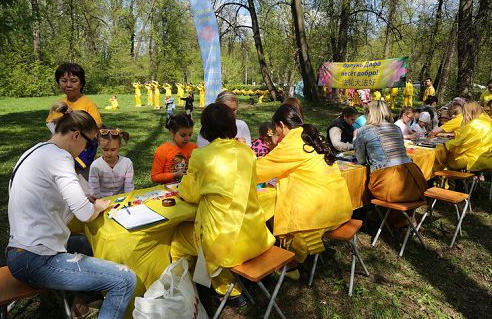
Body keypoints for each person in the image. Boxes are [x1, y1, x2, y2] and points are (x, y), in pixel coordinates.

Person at [7, 101, 137, 319]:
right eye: (88, 145)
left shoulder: (35, 151)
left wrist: (84, 200)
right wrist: (97, 205)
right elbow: (85, 213)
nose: (86, 151)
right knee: (125, 280)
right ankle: (97, 296)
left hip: (21, 249)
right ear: (76, 135)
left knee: (91, 242)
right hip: (37, 259)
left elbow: (46, 198)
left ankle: (82, 300)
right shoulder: (60, 157)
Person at [170, 103, 275, 303]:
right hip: (257, 235)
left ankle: (225, 288)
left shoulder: (200, 155)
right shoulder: (248, 152)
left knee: (177, 241)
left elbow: (190, 194)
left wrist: (185, 185)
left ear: (205, 129)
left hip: (223, 243)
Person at [256, 104, 352, 277]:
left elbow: (260, 169)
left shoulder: (292, 141)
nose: (277, 134)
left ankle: (290, 263)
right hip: (339, 206)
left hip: (319, 213)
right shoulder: (307, 135)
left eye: (277, 130)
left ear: (281, 125)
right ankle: (293, 260)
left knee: (281, 211)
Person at [354, 101, 427, 203]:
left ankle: (373, 214)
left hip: (389, 185)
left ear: (368, 114)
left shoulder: (364, 131)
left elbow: (360, 159)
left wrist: (355, 140)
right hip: (414, 180)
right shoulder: (396, 128)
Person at [46, 63, 102, 179]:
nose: (68, 85)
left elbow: (96, 130)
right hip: (60, 156)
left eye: (73, 80)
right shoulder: (58, 105)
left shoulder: (88, 104)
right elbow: (51, 128)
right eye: (64, 80)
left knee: (84, 188)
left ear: (81, 83)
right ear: (58, 82)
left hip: (82, 158)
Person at [444, 102, 492, 171]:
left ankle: (445, 180)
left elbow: (460, 142)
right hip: (488, 159)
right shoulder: (489, 121)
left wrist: (446, 144)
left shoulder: (474, 124)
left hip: (474, 160)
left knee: (444, 159)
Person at [151, 113, 196, 184]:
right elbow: (155, 177)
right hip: (168, 191)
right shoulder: (162, 151)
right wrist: (174, 175)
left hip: (190, 188)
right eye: (183, 135)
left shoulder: (194, 147)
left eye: (190, 134)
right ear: (172, 132)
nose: (187, 138)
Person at [89, 128, 134, 198]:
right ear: (99, 146)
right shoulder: (95, 166)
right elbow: (95, 192)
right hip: (103, 202)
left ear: (119, 146)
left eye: (113, 149)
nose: (109, 153)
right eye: (105, 149)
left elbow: (129, 188)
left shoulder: (127, 163)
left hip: (123, 200)